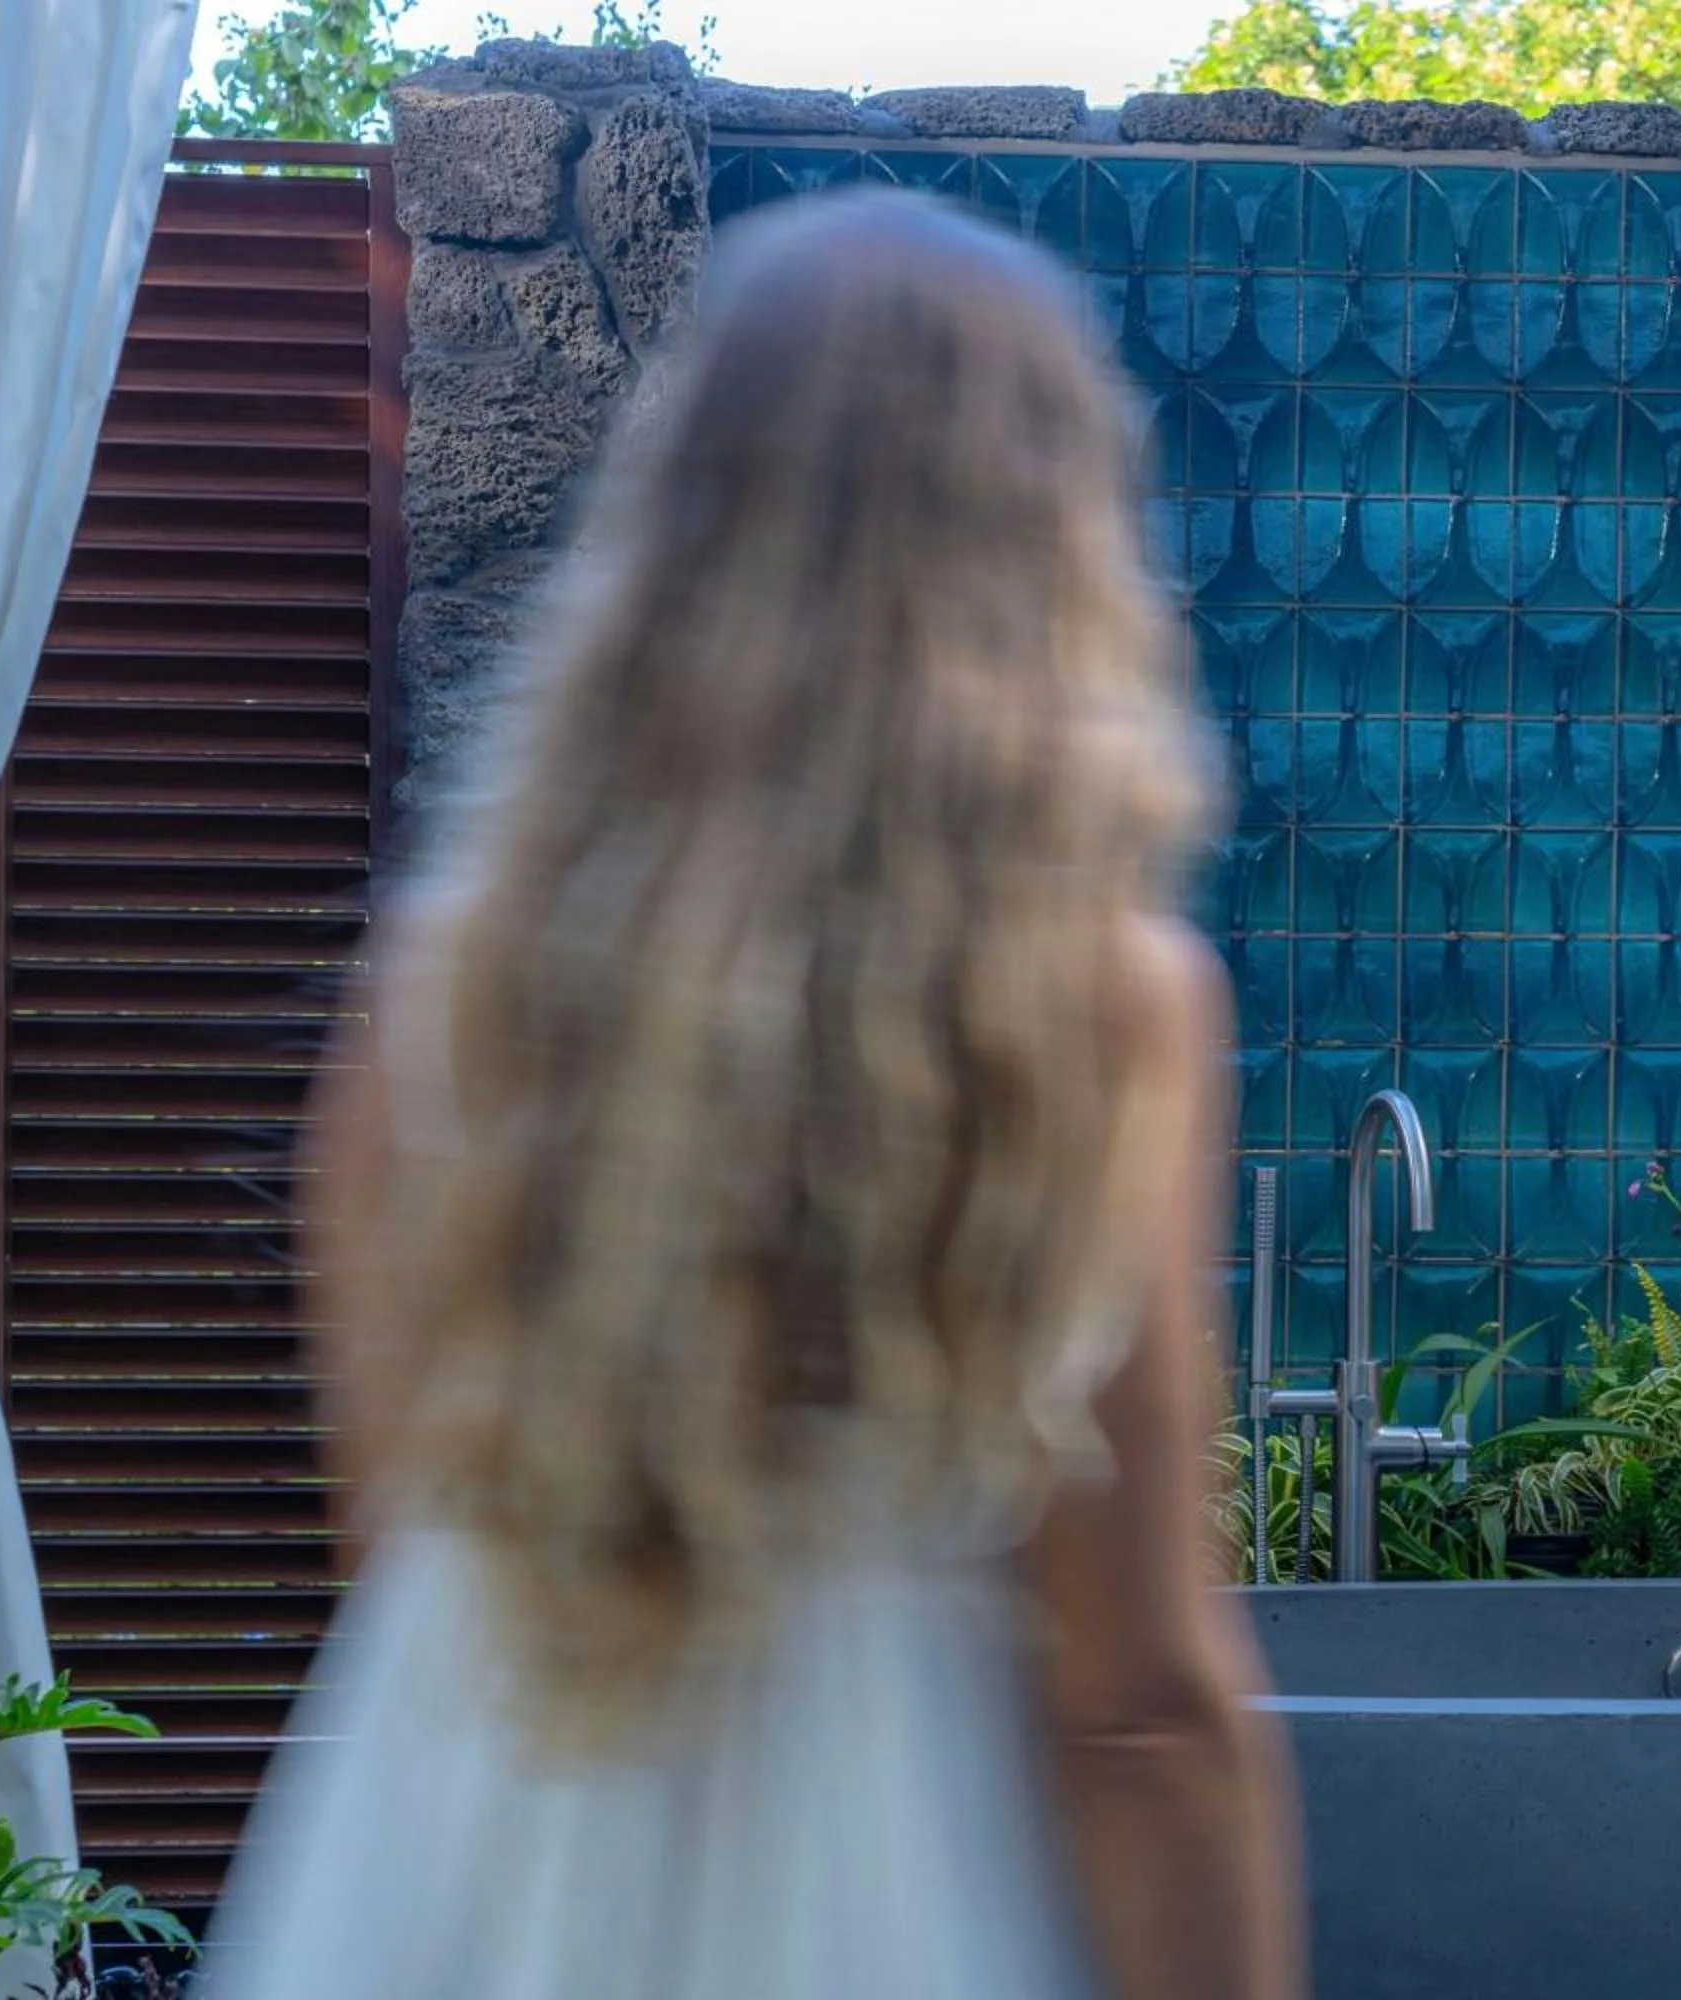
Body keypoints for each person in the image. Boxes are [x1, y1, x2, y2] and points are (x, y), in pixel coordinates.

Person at [203, 190, 1306, 1999]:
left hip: (456, 1878)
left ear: (672, 518)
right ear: (1049, 535)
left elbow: (400, 1553)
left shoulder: (446, 984)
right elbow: (1134, 1709)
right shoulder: (1089, 1002)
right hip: (876, 1889)